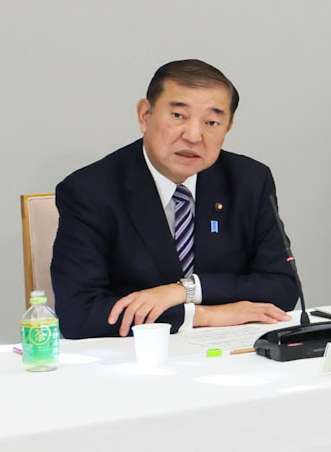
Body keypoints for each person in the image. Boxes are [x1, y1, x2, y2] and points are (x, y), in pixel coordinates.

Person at [50, 59, 300, 339]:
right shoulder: (90, 191)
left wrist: (184, 291)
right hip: (133, 361)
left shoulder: (249, 181)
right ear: (145, 115)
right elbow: (79, 314)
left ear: (227, 128)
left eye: (212, 122)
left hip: (229, 356)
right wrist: (200, 315)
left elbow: (283, 287)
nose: (193, 135)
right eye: (178, 116)